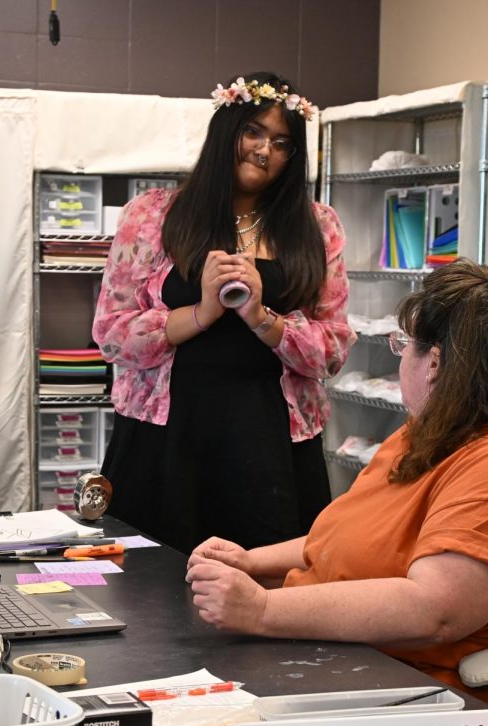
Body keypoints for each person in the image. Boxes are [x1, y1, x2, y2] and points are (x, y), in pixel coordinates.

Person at [185, 261, 488, 726]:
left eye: (403, 347)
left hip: (448, 717)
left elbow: (434, 608)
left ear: (436, 363)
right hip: (365, 673)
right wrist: (250, 562)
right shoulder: (428, 435)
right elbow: (343, 538)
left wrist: (261, 610)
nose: (401, 359)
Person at [93, 71, 354, 554]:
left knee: (267, 591)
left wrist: (263, 318)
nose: (264, 150)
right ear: (226, 132)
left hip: (272, 448)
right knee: (150, 592)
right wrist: (201, 312)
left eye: (281, 143)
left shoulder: (317, 227)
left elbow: (332, 350)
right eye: (253, 131)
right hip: (165, 442)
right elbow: (111, 335)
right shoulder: (152, 216)